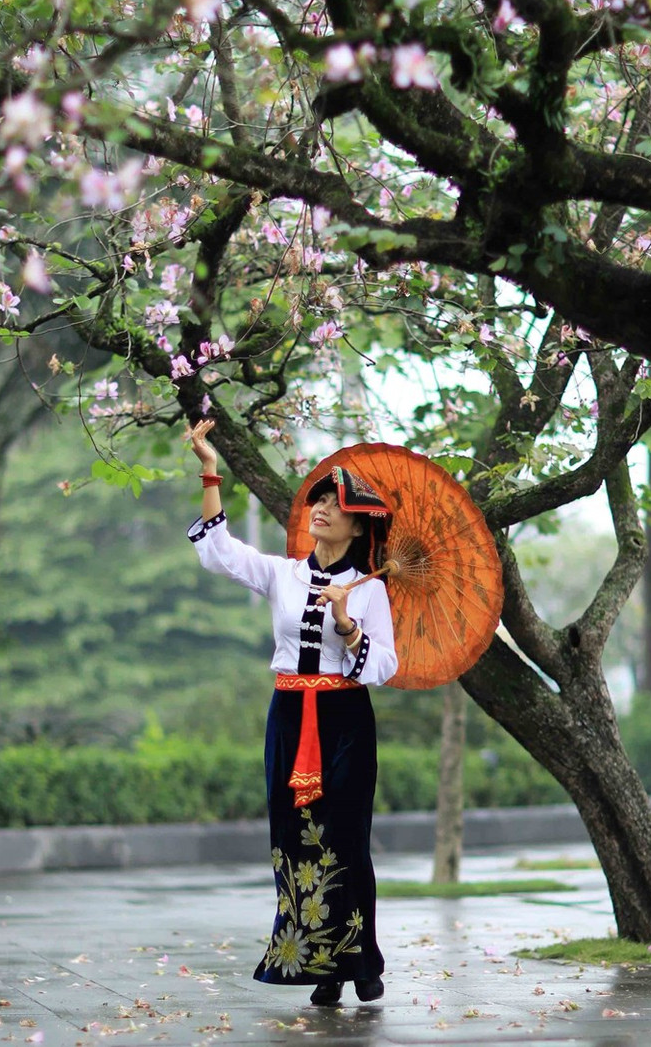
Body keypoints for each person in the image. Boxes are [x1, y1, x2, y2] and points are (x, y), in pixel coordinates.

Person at [187, 417, 398, 1006]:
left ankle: (360, 960)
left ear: (359, 526)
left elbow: (386, 666)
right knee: (294, 837)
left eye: (337, 504)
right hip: (288, 714)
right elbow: (221, 555)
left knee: (345, 837)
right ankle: (317, 964)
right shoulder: (284, 574)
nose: (323, 509)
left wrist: (348, 626)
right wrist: (209, 470)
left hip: (345, 721)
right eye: (320, 500)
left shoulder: (370, 589)